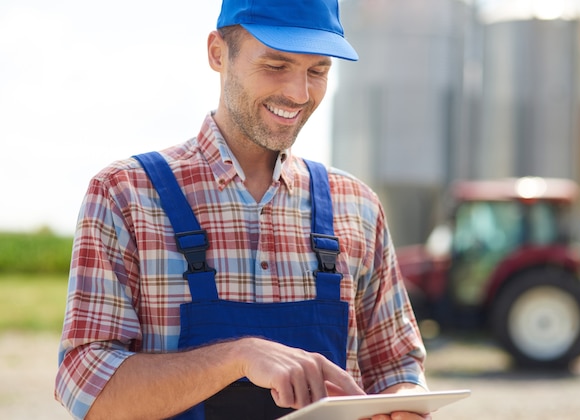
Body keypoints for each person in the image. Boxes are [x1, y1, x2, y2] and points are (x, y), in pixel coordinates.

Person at [55, 1, 430, 419]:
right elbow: (88, 389)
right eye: (275, 65)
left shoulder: (357, 206)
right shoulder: (126, 195)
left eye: (317, 71)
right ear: (218, 52)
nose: (298, 93)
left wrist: (404, 402)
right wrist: (238, 357)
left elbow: (396, 367)